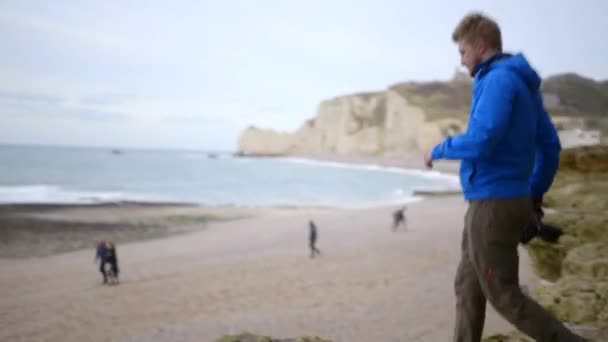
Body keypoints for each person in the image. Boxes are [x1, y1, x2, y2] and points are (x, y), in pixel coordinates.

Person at [425, 12, 584, 342]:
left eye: (463, 52)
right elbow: (550, 148)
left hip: (492, 204)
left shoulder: (498, 80)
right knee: (468, 286)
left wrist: (438, 149)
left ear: (481, 46)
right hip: (502, 200)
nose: (462, 61)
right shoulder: (522, 85)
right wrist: (533, 195)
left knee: (505, 296)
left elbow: (482, 139)